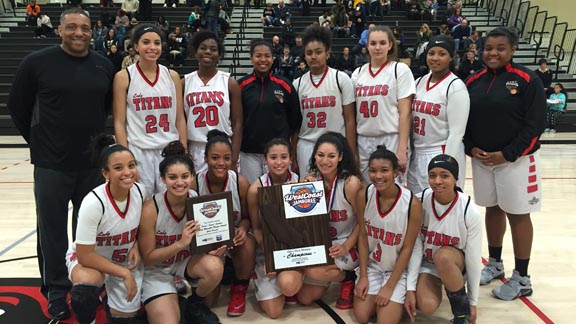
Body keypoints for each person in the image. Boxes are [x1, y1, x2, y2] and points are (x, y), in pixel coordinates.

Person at [7, 8, 115, 320]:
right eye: (71, 27)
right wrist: (38, 140)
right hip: (51, 164)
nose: (78, 33)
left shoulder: (103, 65)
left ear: (92, 31)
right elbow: (17, 106)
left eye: (84, 28)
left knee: (89, 232)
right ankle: (55, 291)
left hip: (91, 165)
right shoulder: (36, 62)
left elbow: (105, 108)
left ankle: (85, 287)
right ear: (59, 30)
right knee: (52, 232)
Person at [464, 27, 546, 301]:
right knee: (493, 209)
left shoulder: (527, 79)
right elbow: (465, 120)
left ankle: (522, 277)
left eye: (500, 48)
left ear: (512, 50)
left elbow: (535, 125)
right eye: (489, 48)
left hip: (517, 161)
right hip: (483, 159)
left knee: (518, 214)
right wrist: (470, 146)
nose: (493, 53)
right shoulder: (473, 81)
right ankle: (496, 263)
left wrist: (507, 153)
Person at [138, 141, 227, 324]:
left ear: (193, 176)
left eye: (185, 176)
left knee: (215, 266)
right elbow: (147, 257)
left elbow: (202, 241)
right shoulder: (151, 208)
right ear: (163, 178)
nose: (179, 183)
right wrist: (180, 243)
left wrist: (210, 248)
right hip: (157, 270)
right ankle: (164, 299)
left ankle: (192, 303)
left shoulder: (197, 201)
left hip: (184, 262)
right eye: (172, 177)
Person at [65, 134, 145, 324]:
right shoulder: (93, 203)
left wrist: (136, 245)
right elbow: (85, 255)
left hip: (122, 259)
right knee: (84, 290)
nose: (127, 172)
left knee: (127, 320)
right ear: (105, 173)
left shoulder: (141, 192)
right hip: (91, 261)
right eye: (118, 168)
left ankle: (106, 295)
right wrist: (124, 273)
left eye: (131, 165)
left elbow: (145, 226)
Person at [405, 154, 482, 324]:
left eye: (444, 176)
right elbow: (416, 246)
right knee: (427, 306)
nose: (437, 181)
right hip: (428, 263)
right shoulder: (420, 200)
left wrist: (472, 302)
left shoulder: (469, 210)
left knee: (443, 256)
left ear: (456, 179)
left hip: (453, 262)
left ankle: (461, 314)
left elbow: (474, 259)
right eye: (432, 175)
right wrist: (410, 287)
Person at [113, 24, 187, 196]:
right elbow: (119, 122)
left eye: (157, 43)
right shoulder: (124, 77)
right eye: (146, 42)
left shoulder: (172, 76)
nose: (152, 47)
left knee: (170, 203)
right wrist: (126, 159)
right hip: (139, 151)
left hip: (169, 149)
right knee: (142, 204)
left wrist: (184, 152)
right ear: (136, 46)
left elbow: (179, 119)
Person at [353, 145, 422, 324]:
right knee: (361, 317)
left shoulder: (411, 204)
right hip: (373, 267)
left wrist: (389, 287)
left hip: (397, 271)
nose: (378, 176)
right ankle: (386, 304)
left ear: (396, 172)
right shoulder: (364, 196)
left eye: (384, 170)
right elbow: (362, 236)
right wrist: (363, 277)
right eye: (373, 171)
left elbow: (408, 248)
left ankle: (398, 301)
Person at [191, 130, 255, 318]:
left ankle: (240, 288)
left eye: (226, 158)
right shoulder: (195, 183)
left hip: (233, 241)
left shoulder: (240, 183)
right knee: (209, 302)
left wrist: (243, 228)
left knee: (248, 242)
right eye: (215, 157)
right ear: (205, 158)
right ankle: (214, 274)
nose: (221, 163)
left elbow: (246, 217)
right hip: (207, 245)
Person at [297, 132, 363, 310]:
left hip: (347, 243)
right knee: (304, 298)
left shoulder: (351, 183)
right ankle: (336, 274)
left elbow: (364, 222)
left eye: (331, 156)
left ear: (340, 157)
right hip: (323, 244)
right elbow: (300, 220)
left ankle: (349, 277)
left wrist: (347, 246)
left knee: (312, 270)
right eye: (320, 155)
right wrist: (302, 190)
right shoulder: (311, 179)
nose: (325, 161)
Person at [246, 138, 303, 318]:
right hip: (269, 250)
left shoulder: (301, 183)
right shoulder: (255, 189)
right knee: (274, 312)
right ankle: (268, 280)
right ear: (265, 159)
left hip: (295, 249)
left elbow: (309, 226)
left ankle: (293, 278)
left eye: (283, 157)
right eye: (273, 157)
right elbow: (256, 229)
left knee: (289, 286)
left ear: (291, 159)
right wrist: (273, 258)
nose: (279, 162)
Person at [351, 25, 415, 183]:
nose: (377, 47)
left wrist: (402, 148)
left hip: (391, 137)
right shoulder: (357, 74)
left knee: (394, 189)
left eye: (382, 43)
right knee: (366, 190)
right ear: (367, 45)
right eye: (373, 43)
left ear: (390, 45)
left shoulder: (400, 70)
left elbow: (405, 113)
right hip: (364, 139)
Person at [293, 24, 357, 178]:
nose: (313, 56)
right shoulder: (297, 84)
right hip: (307, 144)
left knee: (337, 193)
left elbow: (349, 119)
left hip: (335, 145)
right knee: (310, 196)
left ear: (327, 54)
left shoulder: (341, 79)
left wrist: (351, 151)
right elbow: (294, 126)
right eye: (309, 53)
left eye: (318, 52)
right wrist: (293, 154)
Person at [408, 35, 470, 193]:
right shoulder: (419, 82)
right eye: (431, 53)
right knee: (418, 209)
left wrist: (445, 165)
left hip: (440, 151)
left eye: (441, 54)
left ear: (451, 57)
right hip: (417, 154)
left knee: (443, 210)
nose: (435, 58)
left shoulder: (455, 87)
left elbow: (457, 133)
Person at [237, 40, 302, 183]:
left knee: (280, 196)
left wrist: (294, 155)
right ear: (251, 58)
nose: (262, 60)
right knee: (253, 193)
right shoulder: (241, 86)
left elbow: (295, 123)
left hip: (278, 154)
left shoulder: (285, 85)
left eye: (267, 56)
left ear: (273, 59)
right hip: (249, 154)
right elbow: (236, 121)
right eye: (258, 56)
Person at [183, 31, 243, 172]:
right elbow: (180, 121)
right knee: (195, 192)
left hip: (223, 146)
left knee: (226, 192)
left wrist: (233, 157)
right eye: (203, 48)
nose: (208, 52)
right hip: (196, 147)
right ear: (196, 51)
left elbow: (237, 123)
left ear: (219, 54)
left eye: (213, 49)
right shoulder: (184, 83)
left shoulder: (229, 82)